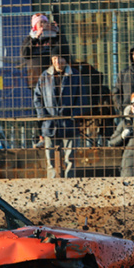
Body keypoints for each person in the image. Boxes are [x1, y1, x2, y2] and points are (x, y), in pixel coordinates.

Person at [33, 50, 91, 178]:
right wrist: (44, 117)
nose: (58, 62)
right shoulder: (44, 76)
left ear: (66, 60)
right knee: (51, 160)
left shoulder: (75, 76)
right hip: (50, 124)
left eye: (61, 59)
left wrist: (73, 117)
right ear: (52, 60)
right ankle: (52, 184)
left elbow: (82, 99)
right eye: (55, 59)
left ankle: (69, 184)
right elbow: (37, 98)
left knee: (70, 159)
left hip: (69, 124)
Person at [20, 13, 70, 90]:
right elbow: (24, 54)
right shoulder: (29, 39)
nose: (43, 24)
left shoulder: (52, 37)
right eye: (41, 22)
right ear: (35, 25)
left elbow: (63, 50)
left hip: (51, 79)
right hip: (35, 81)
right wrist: (36, 38)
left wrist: (58, 32)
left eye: (45, 22)